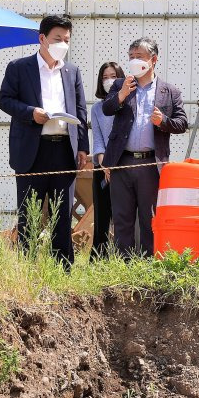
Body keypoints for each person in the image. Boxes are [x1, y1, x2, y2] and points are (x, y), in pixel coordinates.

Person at [0, 15, 89, 269]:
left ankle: (62, 269)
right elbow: (5, 100)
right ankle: (26, 268)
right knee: (29, 213)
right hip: (31, 150)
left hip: (64, 149)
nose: (62, 44)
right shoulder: (19, 67)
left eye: (66, 39)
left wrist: (83, 147)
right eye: (57, 38)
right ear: (42, 39)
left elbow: (80, 111)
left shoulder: (72, 71)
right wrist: (31, 112)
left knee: (62, 214)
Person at [103, 38, 188, 257]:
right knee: (122, 219)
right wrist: (121, 94)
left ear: (153, 60)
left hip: (151, 163)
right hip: (122, 161)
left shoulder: (169, 91)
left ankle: (149, 266)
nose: (133, 61)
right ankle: (123, 265)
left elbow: (182, 124)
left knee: (149, 218)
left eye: (139, 57)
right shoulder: (121, 85)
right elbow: (107, 109)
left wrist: (164, 121)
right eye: (131, 56)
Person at [90, 61, 124, 258]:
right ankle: (99, 258)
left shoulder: (128, 103)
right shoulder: (97, 108)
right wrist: (104, 165)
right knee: (102, 215)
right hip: (102, 167)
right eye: (105, 77)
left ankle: (123, 256)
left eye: (113, 76)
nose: (109, 81)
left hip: (125, 166)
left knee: (123, 216)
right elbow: (98, 141)